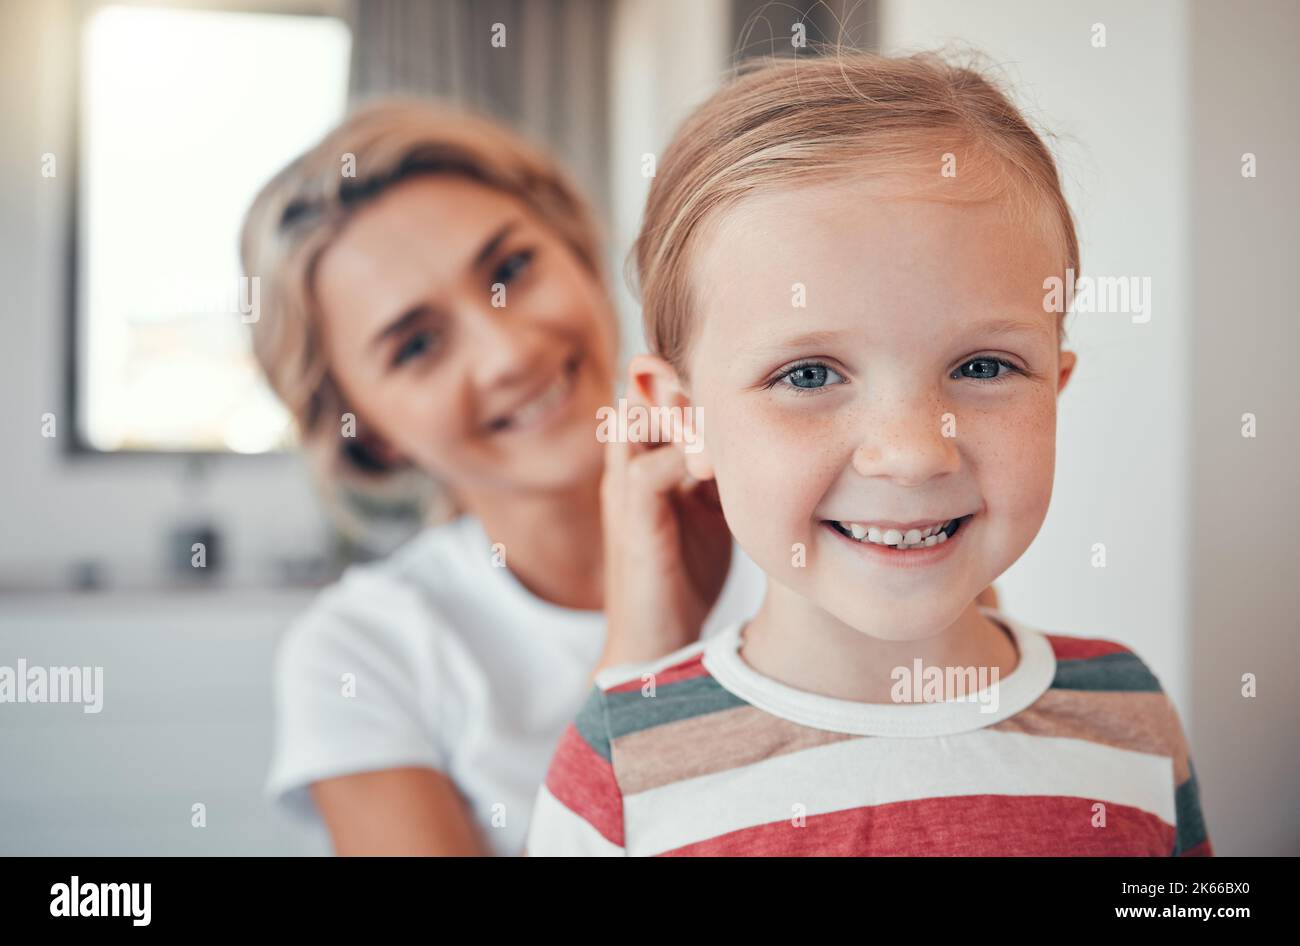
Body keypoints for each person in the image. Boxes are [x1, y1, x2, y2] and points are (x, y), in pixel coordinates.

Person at [525, 52, 1212, 856]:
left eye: (983, 367)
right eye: (808, 374)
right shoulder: (622, 766)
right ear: (686, 421)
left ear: (1054, 384)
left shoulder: (1127, 716)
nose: (915, 455)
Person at [241, 100, 769, 856]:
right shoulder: (362, 654)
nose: (507, 354)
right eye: (417, 345)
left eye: (512, 270)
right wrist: (638, 666)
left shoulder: (808, 524)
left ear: (579, 253)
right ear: (370, 435)